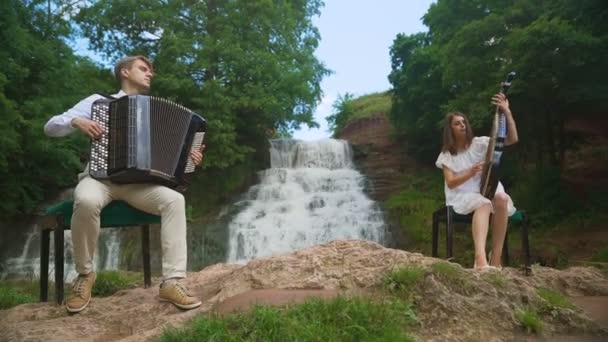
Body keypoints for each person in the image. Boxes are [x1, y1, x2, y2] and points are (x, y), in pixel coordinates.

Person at [44, 55, 205, 312]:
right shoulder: (98, 102)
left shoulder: (155, 110)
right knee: (85, 200)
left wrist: (190, 159)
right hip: (100, 179)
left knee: (175, 200)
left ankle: (172, 281)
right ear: (124, 72)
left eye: (151, 70)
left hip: (137, 186)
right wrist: (76, 121)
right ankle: (85, 275)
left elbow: (176, 165)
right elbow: (50, 126)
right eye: (143, 68)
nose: (150, 73)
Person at [435, 93, 519, 270]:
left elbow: (511, 139)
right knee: (484, 203)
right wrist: (470, 172)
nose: (462, 125)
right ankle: (480, 259)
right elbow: (450, 183)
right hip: (461, 194)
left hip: (485, 189)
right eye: (457, 123)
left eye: (464, 122)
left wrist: (506, 112)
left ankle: (495, 259)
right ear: (450, 130)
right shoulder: (446, 155)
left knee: (501, 199)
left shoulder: (480, 143)